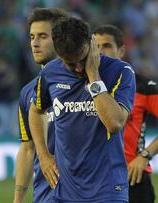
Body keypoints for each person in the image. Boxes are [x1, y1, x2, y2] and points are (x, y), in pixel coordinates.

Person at [29, 17, 136, 202]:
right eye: (70, 64)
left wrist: (94, 76)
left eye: (82, 59)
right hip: (65, 190)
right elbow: (36, 111)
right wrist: (43, 155)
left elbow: (115, 123)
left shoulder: (121, 71)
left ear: (91, 43)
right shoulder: (50, 73)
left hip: (108, 188)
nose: (79, 68)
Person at [94, 24, 158, 203]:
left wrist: (145, 155)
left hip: (132, 179)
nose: (100, 52)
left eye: (106, 46)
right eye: (96, 47)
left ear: (121, 51)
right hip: (93, 180)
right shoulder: (82, 86)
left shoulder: (141, 86)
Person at [13, 8, 70, 203]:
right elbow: (27, 149)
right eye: (32, 37)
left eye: (43, 36)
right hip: (46, 197)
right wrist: (18, 198)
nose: (34, 43)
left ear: (60, 39)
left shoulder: (84, 84)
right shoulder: (27, 92)